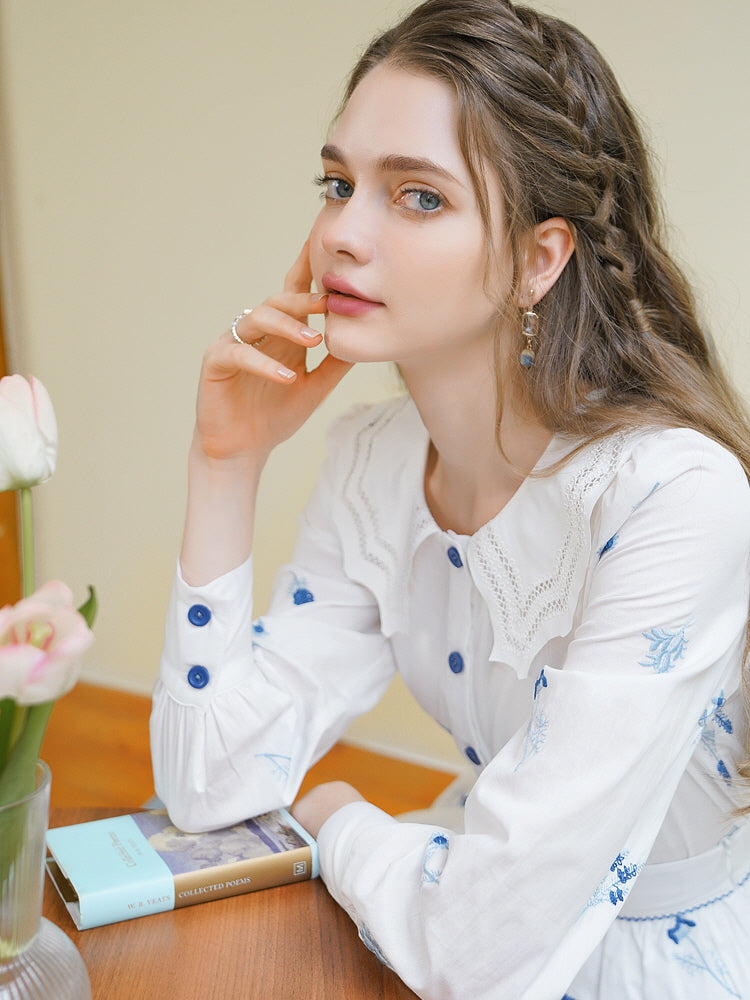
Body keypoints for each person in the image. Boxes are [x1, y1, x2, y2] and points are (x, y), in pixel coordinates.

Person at [150, 0, 750, 996]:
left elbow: (482, 947)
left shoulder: (673, 496)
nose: (343, 232)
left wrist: (337, 813)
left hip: (651, 962)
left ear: (537, 258)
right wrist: (227, 462)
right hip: (444, 900)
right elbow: (211, 781)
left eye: (418, 197)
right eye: (338, 183)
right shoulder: (374, 461)